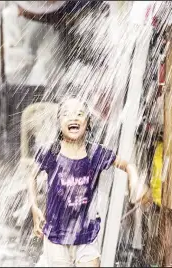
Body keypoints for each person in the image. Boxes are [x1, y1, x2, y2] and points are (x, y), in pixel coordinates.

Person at [27, 97, 150, 267]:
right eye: (66, 114)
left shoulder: (95, 153)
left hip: (86, 233)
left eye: (79, 114)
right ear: (59, 123)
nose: (73, 118)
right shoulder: (52, 152)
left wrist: (135, 181)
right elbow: (31, 176)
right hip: (56, 235)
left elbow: (128, 165)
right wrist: (34, 206)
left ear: (88, 122)